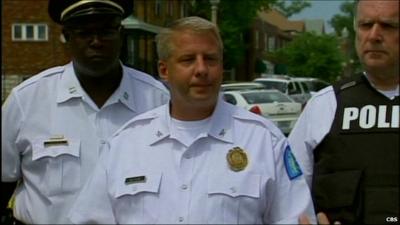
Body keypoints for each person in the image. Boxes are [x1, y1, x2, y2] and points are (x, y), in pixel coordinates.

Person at [68, 16, 316, 224]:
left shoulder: (264, 140)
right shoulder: (126, 144)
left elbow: (296, 217)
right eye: (188, 60)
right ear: (164, 70)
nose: (201, 69)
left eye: (210, 59)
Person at [1, 0, 169, 224]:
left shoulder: (158, 100)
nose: (96, 41)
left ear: (121, 34)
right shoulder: (27, 100)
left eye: (106, 31)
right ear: (67, 37)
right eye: (84, 33)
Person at [289, 0, 399, 224]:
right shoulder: (324, 106)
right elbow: (289, 197)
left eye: (388, 26)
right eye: (366, 25)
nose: (374, 35)